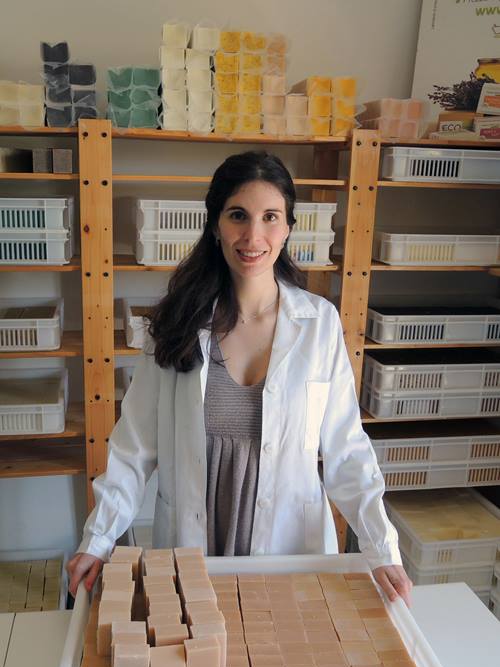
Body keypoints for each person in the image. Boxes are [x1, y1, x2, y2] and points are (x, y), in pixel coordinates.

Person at [67, 151, 411, 605]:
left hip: (289, 546)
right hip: (196, 544)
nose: (253, 236)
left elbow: (347, 450)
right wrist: (98, 538)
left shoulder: (319, 324)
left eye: (270, 217)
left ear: (288, 227)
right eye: (238, 216)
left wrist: (382, 548)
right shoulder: (176, 323)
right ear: (215, 225)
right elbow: (134, 447)